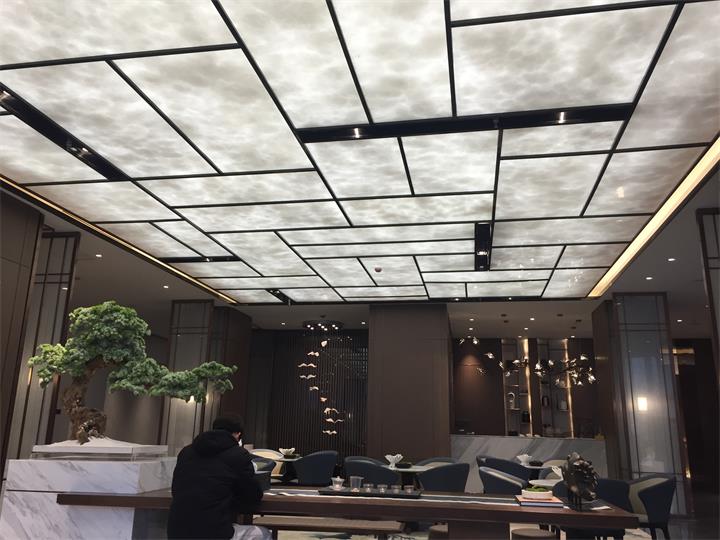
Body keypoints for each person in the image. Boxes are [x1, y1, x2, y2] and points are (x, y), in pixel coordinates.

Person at [167, 414, 271, 540]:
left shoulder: (186, 452)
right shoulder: (238, 454)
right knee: (264, 534)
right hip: (215, 533)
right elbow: (253, 495)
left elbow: (176, 488)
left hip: (176, 532)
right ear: (237, 434)